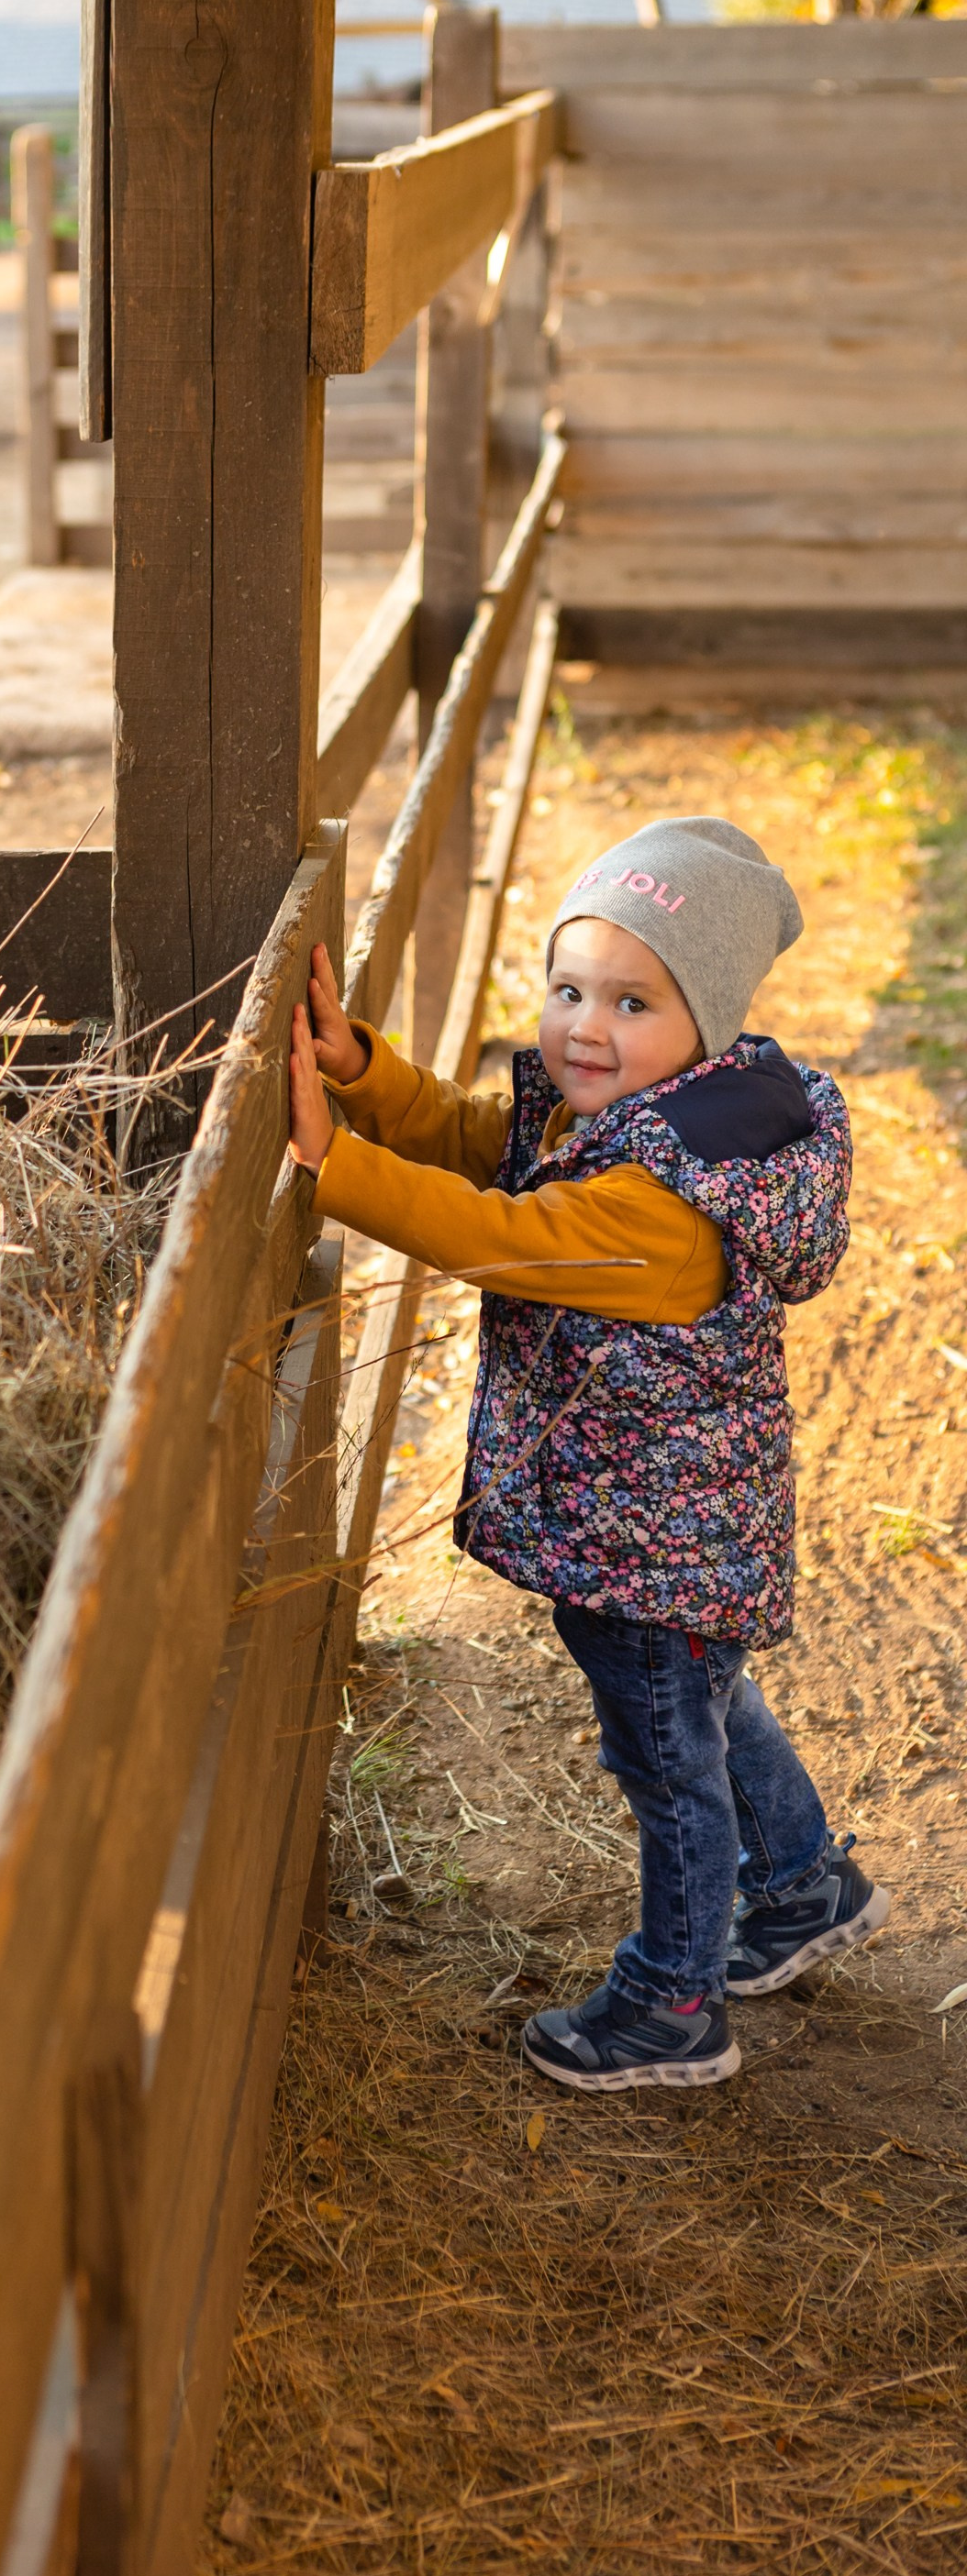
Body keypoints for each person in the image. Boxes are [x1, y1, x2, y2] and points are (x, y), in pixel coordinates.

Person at [287, 815, 887, 2092]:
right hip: (665, 1537)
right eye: (568, 988)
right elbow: (472, 1142)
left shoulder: (661, 1201)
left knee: (666, 1762)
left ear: (707, 1027)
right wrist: (360, 1075)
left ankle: (674, 2004)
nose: (582, 1028)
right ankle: (800, 1887)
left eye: (629, 1000)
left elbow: (498, 1233)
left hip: (650, 1541)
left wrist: (334, 1168)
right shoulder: (631, 1112)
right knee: (705, 1707)